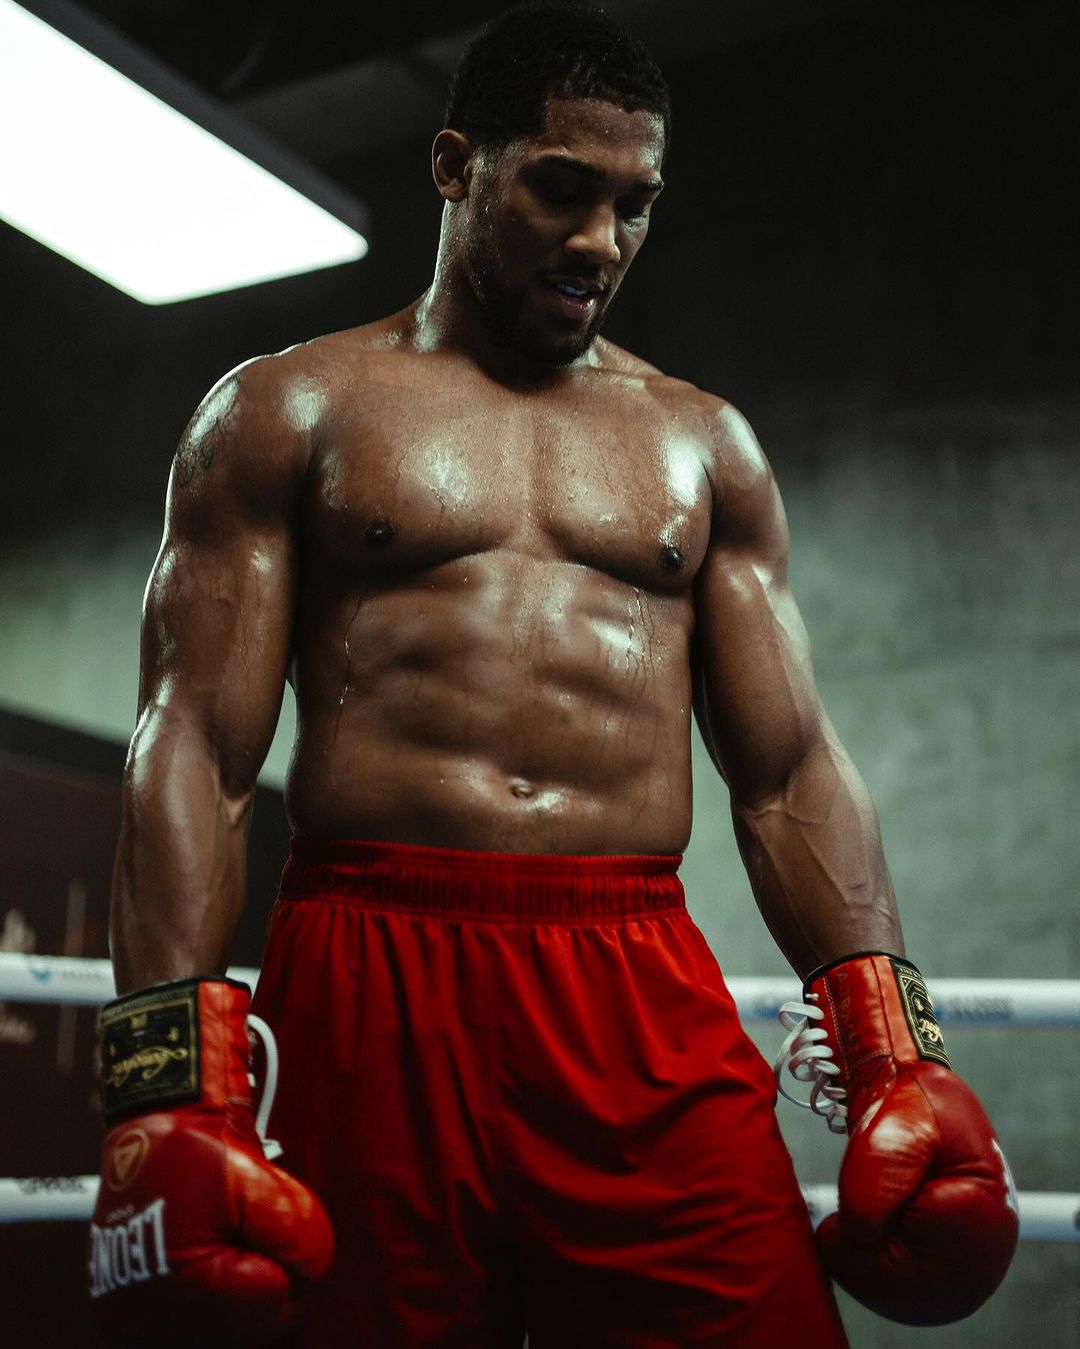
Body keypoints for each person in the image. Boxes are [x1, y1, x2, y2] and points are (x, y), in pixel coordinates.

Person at [86, 4, 1018, 1346]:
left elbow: (790, 769)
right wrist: (165, 1089)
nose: (601, 241)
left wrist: (892, 1051)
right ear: (456, 165)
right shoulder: (289, 409)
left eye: (635, 204)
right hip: (372, 966)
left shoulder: (704, 445)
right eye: (563, 189)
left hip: (631, 977)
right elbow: (192, 747)